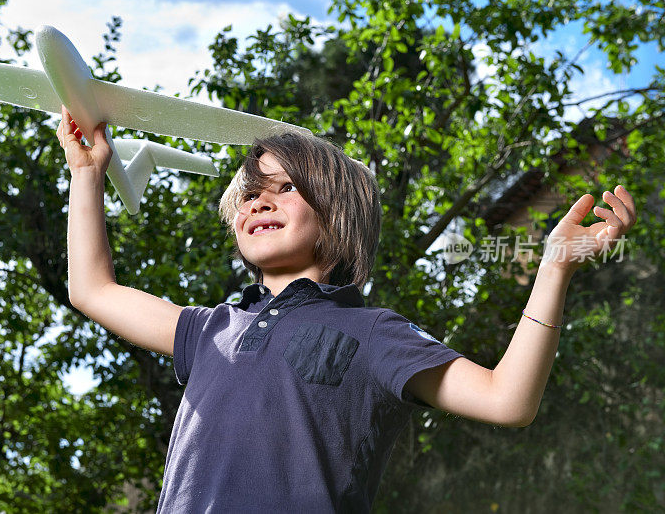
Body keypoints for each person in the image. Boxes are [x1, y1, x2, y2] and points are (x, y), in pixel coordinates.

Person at [56, 106, 637, 512]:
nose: (261, 198)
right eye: (252, 191)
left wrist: (554, 265)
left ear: (336, 216)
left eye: (286, 187)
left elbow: (508, 399)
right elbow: (92, 290)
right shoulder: (209, 328)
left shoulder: (373, 333)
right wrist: (87, 174)